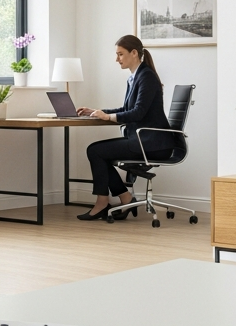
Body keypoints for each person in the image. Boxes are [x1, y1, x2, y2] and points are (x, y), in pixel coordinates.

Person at [74, 34, 181, 221]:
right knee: (98, 152)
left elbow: (138, 112)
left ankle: (103, 202)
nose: (117, 59)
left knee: (95, 151)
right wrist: (98, 111)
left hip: (153, 143)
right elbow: (127, 110)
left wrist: (107, 117)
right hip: (143, 140)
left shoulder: (146, 76)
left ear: (134, 53)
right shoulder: (136, 77)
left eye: (120, 54)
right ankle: (124, 197)